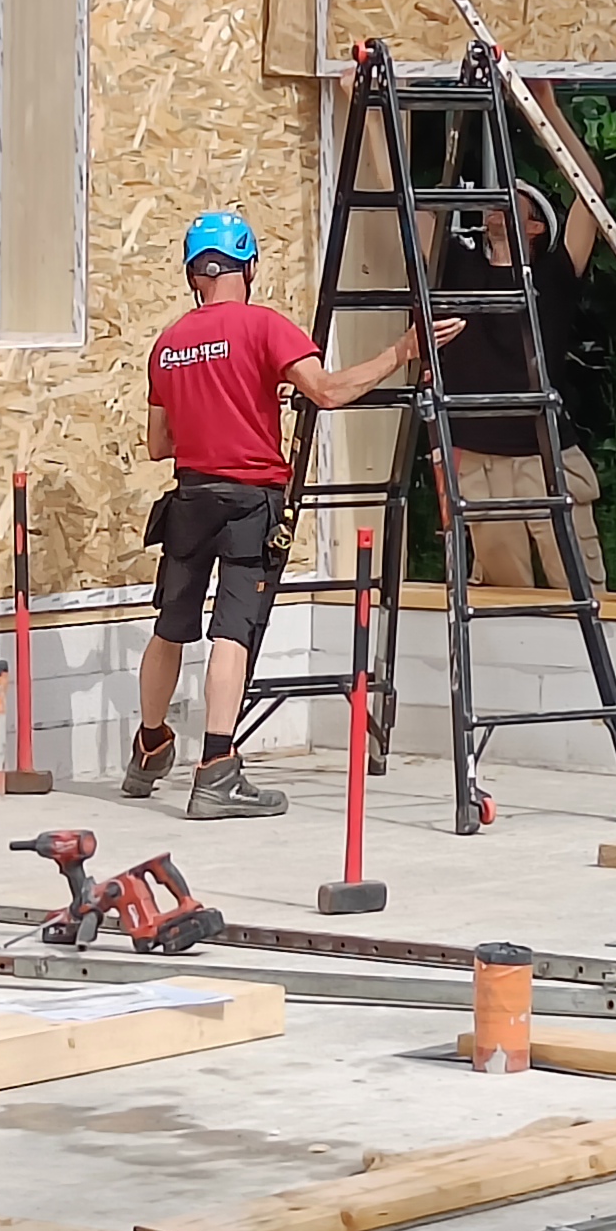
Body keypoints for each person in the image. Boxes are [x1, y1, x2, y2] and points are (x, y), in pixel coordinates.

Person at [128, 210, 455, 819]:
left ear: (193, 274)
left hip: (190, 498)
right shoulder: (264, 327)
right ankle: (217, 770)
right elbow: (327, 391)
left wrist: (216, 416)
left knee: (171, 626)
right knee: (232, 632)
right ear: (248, 266)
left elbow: (157, 444)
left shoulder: (168, 344)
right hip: (249, 502)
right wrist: (402, 351)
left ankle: (149, 747)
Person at [428, 78, 608, 597]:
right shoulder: (455, 269)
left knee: (580, 589)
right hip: (480, 461)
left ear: (535, 228)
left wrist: (546, 106)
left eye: (513, 202)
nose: (497, 205)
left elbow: (590, 194)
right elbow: (404, 207)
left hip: (546, 455)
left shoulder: (554, 275)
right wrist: (373, 120)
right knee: (503, 600)